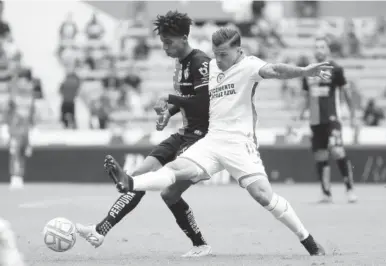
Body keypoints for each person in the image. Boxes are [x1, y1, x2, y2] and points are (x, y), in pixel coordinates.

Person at [105, 27, 331, 256]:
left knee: (263, 195)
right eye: (216, 53)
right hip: (212, 141)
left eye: (224, 54)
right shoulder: (211, 66)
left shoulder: (249, 66)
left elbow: (274, 69)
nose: (219, 60)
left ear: (238, 50)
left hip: (239, 144)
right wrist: (170, 109)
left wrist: (304, 71)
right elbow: (193, 97)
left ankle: (308, 241)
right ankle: (130, 183)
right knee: (175, 168)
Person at [76, 11, 212, 257]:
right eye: (162, 42)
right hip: (184, 133)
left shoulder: (201, 62)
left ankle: (200, 244)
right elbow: (187, 100)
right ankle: (99, 231)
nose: (164, 47)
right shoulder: (179, 63)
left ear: (184, 37)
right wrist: (169, 112)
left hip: (202, 139)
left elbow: (203, 103)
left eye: (168, 42)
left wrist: (170, 99)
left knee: (168, 193)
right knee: (136, 176)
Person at [298, 37, 358, 203]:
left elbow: (345, 92)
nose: (319, 50)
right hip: (315, 121)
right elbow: (305, 97)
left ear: (327, 50)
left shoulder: (336, 69)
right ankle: (326, 193)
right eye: (316, 47)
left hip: (332, 118)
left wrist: (353, 114)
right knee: (321, 155)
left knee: (337, 149)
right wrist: (299, 115)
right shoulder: (307, 71)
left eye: (322, 47)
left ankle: (350, 189)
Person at [7, 67, 36, 190]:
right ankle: (14, 176)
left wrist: (33, 126)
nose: (22, 83)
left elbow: (32, 113)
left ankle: (20, 176)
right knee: (15, 153)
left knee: (23, 153)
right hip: (15, 129)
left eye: (24, 80)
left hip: (26, 130)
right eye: (20, 80)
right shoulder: (14, 94)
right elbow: (8, 111)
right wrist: (6, 126)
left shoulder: (30, 95)